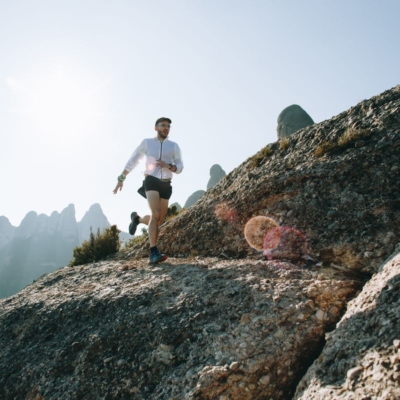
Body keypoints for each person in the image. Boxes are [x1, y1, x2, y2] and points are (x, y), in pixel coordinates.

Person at [113, 117, 184, 264]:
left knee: (159, 221)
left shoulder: (174, 146)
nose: (166, 128)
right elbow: (133, 160)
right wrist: (121, 178)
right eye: (163, 125)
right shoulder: (147, 143)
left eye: (168, 126)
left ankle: (137, 219)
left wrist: (168, 166)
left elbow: (180, 167)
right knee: (155, 213)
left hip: (166, 184)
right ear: (156, 128)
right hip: (151, 180)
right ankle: (153, 253)